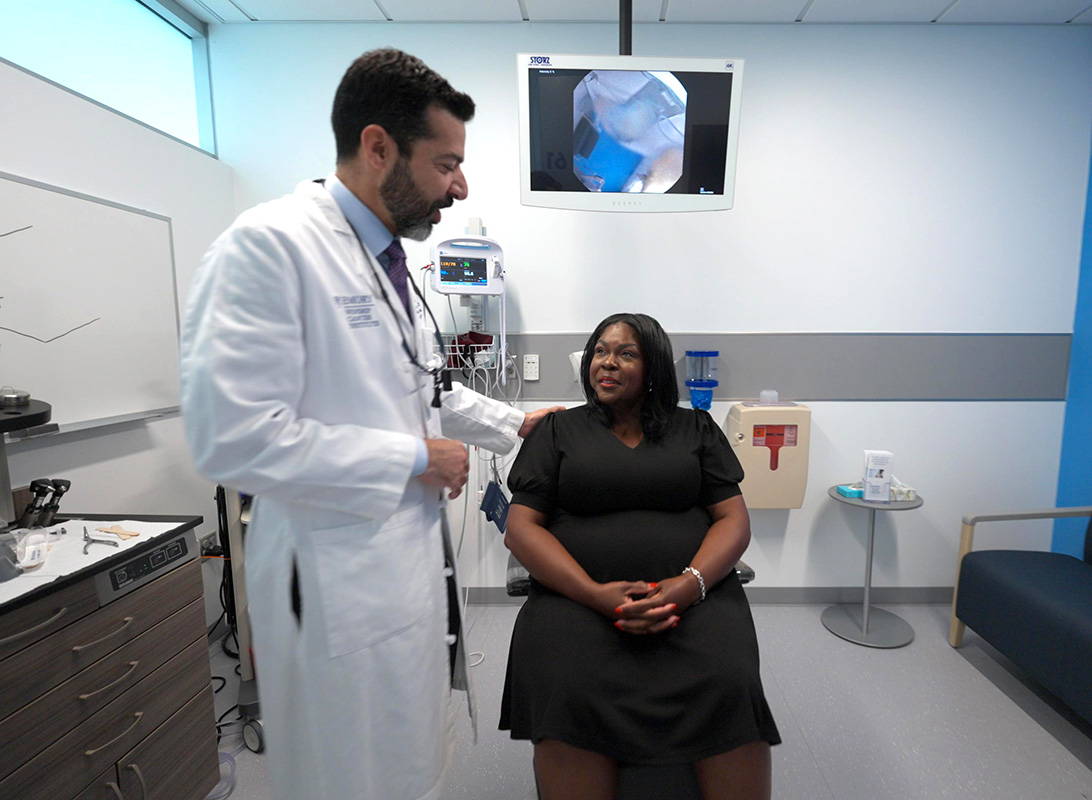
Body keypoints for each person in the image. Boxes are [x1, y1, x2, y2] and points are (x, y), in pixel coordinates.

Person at [179, 48, 559, 800]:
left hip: (399, 570)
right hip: (330, 586)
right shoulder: (272, 247)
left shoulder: (390, 263)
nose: (461, 184)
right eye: (445, 162)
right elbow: (230, 434)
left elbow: (426, 388)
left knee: (406, 768)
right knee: (343, 779)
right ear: (377, 145)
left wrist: (516, 423)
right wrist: (409, 459)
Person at [499, 313, 780, 800]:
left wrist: (689, 585)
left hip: (693, 599)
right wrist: (594, 595)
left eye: (626, 353)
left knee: (728, 678)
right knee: (568, 683)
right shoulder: (557, 431)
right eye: (599, 352)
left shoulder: (695, 428)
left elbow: (734, 520)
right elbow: (521, 528)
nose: (607, 363)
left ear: (653, 369)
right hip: (575, 602)